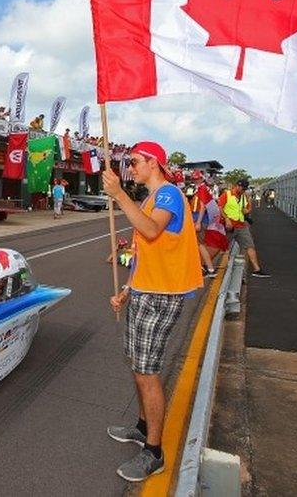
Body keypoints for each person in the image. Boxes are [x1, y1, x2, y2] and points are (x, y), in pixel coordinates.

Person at [102, 141, 203, 482]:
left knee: (147, 372)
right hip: (145, 292)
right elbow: (146, 252)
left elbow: (150, 229)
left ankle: (154, 452)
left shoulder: (168, 194)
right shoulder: (149, 198)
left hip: (161, 296)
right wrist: (128, 290)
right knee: (137, 364)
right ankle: (143, 427)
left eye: (134, 161)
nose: (130, 167)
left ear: (154, 163)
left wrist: (118, 195)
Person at [219, 178, 270, 277]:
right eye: (242, 188)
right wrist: (226, 219)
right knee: (223, 247)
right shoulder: (227, 194)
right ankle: (215, 268)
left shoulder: (244, 196)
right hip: (229, 226)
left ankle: (257, 269)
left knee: (250, 245)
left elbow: (249, 207)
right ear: (237, 186)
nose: (243, 190)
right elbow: (220, 207)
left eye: (244, 189)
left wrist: (247, 211)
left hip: (241, 225)